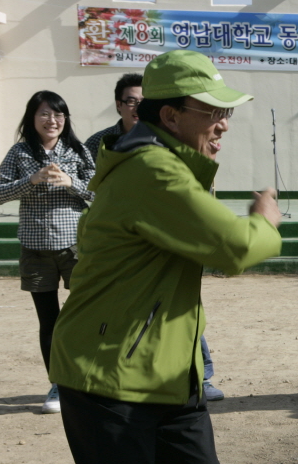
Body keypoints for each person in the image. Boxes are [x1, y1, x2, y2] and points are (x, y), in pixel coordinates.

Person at [35, 51, 283, 464]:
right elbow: (234, 248)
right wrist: (265, 219)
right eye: (213, 110)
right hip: (106, 373)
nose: (224, 122)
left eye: (227, 111)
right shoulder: (151, 171)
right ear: (169, 115)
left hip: (166, 373)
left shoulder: (170, 166)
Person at [86, 74, 227, 402]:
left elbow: (196, 196)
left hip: (175, 234)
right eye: (131, 101)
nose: (137, 107)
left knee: (181, 307)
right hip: (126, 241)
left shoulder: (182, 144)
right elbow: (239, 248)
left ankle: (199, 374)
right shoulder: (102, 143)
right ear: (119, 105)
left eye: (142, 100)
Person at [0, 91, 95, 415]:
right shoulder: (20, 152)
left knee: (85, 318)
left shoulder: (78, 151)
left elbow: (98, 193)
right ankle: (59, 383)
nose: (52, 121)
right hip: (36, 249)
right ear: (32, 118)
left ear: (65, 119)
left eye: (58, 115)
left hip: (75, 247)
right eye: (45, 114)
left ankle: (89, 380)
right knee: (48, 321)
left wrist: (70, 182)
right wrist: (31, 180)